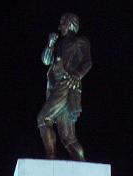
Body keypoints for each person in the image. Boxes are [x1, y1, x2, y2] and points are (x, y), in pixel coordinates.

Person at [37, 13, 92, 161]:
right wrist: (50, 44)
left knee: (43, 118)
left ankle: (51, 158)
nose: (60, 26)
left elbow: (88, 61)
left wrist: (77, 74)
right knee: (67, 136)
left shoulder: (80, 41)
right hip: (56, 87)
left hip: (67, 85)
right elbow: (46, 60)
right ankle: (82, 165)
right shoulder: (58, 44)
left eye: (63, 23)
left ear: (70, 24)